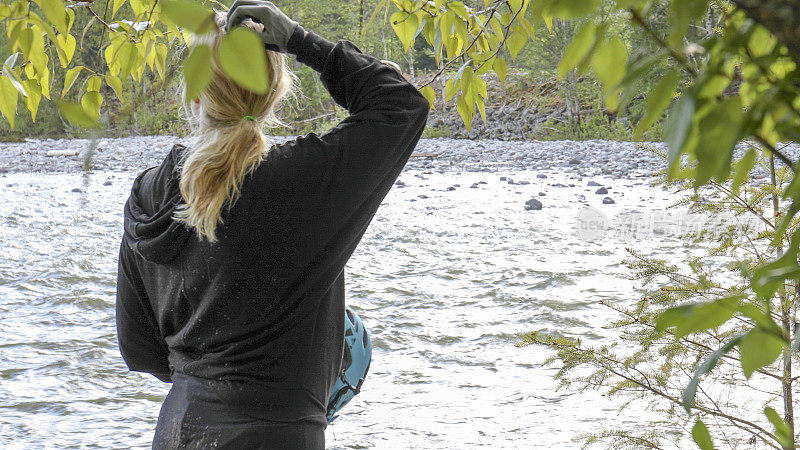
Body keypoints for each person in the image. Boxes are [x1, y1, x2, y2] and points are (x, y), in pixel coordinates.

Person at [114, 0, 430, 447]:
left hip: (178, 431)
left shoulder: (149, 192)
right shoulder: (302, 179)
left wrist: (208, 376)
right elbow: (399, 104)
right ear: (275, 89)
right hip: (275, 433)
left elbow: (139, 349)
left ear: (196, 93)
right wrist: (301, 41)